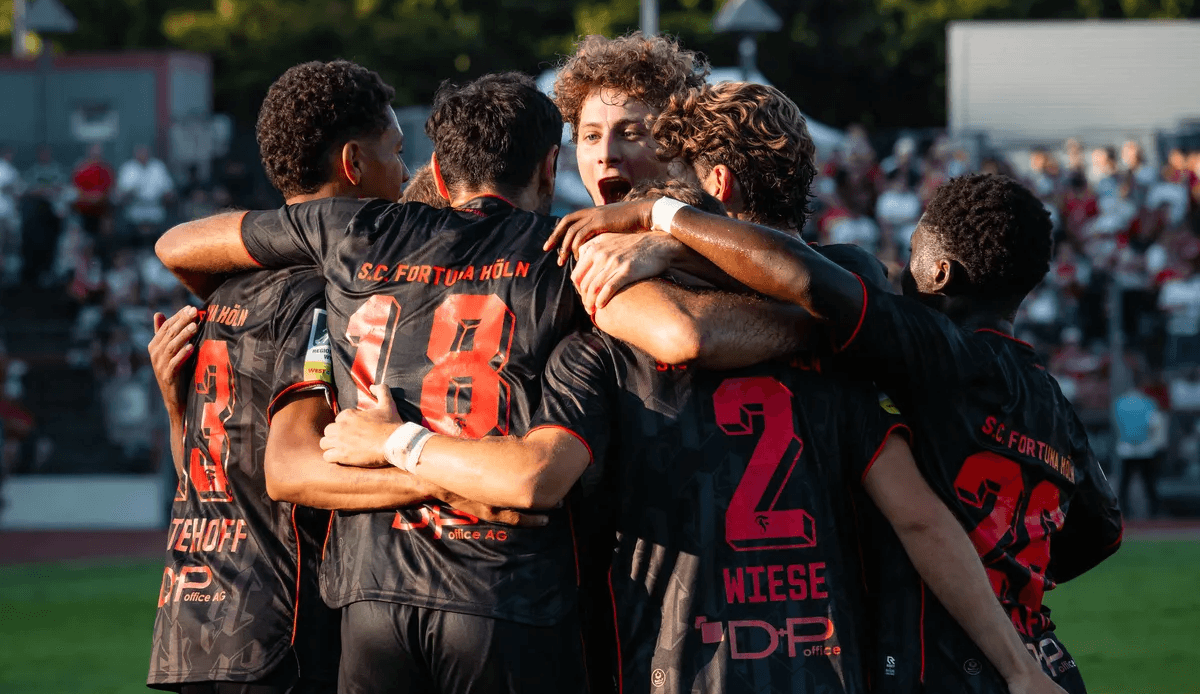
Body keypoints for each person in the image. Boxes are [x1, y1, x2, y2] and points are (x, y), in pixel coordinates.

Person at [317, 182, 1062, 694]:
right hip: (823, 660)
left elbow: (537, 474)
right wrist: (1021, 664)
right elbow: (931, 516)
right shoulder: (855, 350)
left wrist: (397, 444)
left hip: (667, 659)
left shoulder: (600, 339)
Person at [548, 173, 1124, 693]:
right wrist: (1012, 571)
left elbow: (806, 278)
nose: (899, 275)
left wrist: (662, 218)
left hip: (951, 663)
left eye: (912, 257)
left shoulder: (934, 350)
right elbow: (1100, 532)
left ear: (940, 274)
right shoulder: (1052, 399)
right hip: (1045, 661)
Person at [144, 59, 483, 694]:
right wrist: (448, 483)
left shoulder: (226, 292)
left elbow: (209, 475)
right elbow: (290, 472)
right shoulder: (321, 298)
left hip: (191, 633)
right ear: (354, 163)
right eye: (395, 153)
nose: (404, 172)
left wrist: (173, 408)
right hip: (280, 635)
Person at [554, 32, 708, 205]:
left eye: (629, 134)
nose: (606, 155)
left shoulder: (718, 220)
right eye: (592, 136)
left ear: (676, 145)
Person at [1113, 374, 1166, 518]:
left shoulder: (1119, 402)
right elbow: (1154, 424)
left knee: (1125, 482)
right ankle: (1154, 512)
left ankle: (1124, 512)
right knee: (1148, 482)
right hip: (1144, 447)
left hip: (1127, 448)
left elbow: (1117, 425)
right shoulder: (1148, 402)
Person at [116, 144, 174, 236]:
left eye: (145, 153)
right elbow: (119, 195)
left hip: (156, 209)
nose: (143, 155)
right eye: (140, 153)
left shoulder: (158, 167)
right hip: (134, 209)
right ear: (135, 154)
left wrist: (164, 196)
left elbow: (169, 192)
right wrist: (129, 194)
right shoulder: (128, 168)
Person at [72, 143, 114, 237]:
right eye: (94, 151)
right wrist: (90, 197)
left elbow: (110, 188)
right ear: (89, 152)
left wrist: (99, 197)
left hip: (102, 208)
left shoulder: (106, 170)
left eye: (98, 152)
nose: (96, 154)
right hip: (84, 209)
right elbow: (76, 190)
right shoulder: (81, 169)